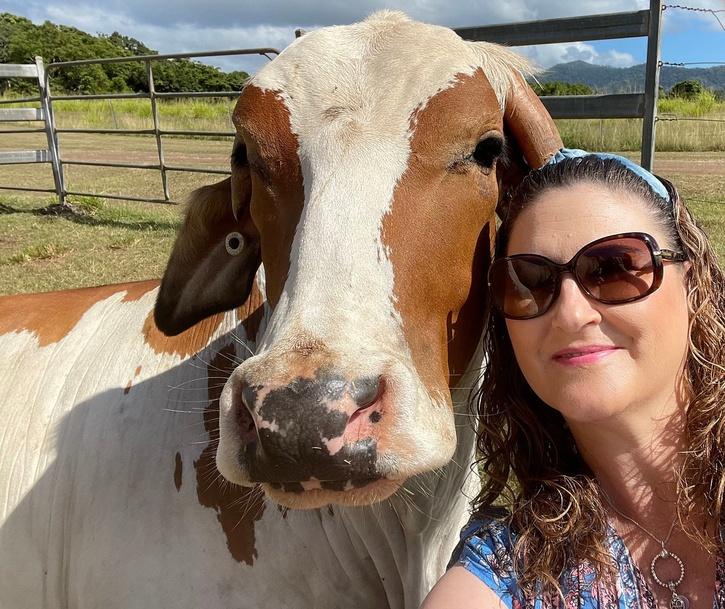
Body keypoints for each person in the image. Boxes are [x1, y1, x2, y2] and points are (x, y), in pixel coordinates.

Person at [422, 150, 725, 609]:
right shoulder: (509, 575)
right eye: (529, 282)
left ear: (691, 281)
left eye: (614, 268)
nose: (569, 314)